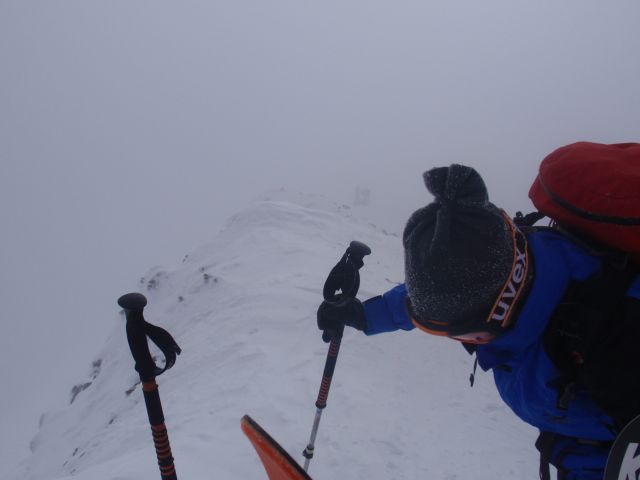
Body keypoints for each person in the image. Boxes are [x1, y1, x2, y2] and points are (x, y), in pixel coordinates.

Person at [317, 160, 640, 480]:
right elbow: (443, 294)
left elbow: (620, 451)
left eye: (465, 334)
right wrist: (364, 316)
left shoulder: (614, 348)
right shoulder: (510, 258)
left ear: (499, 312)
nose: (462, 342)